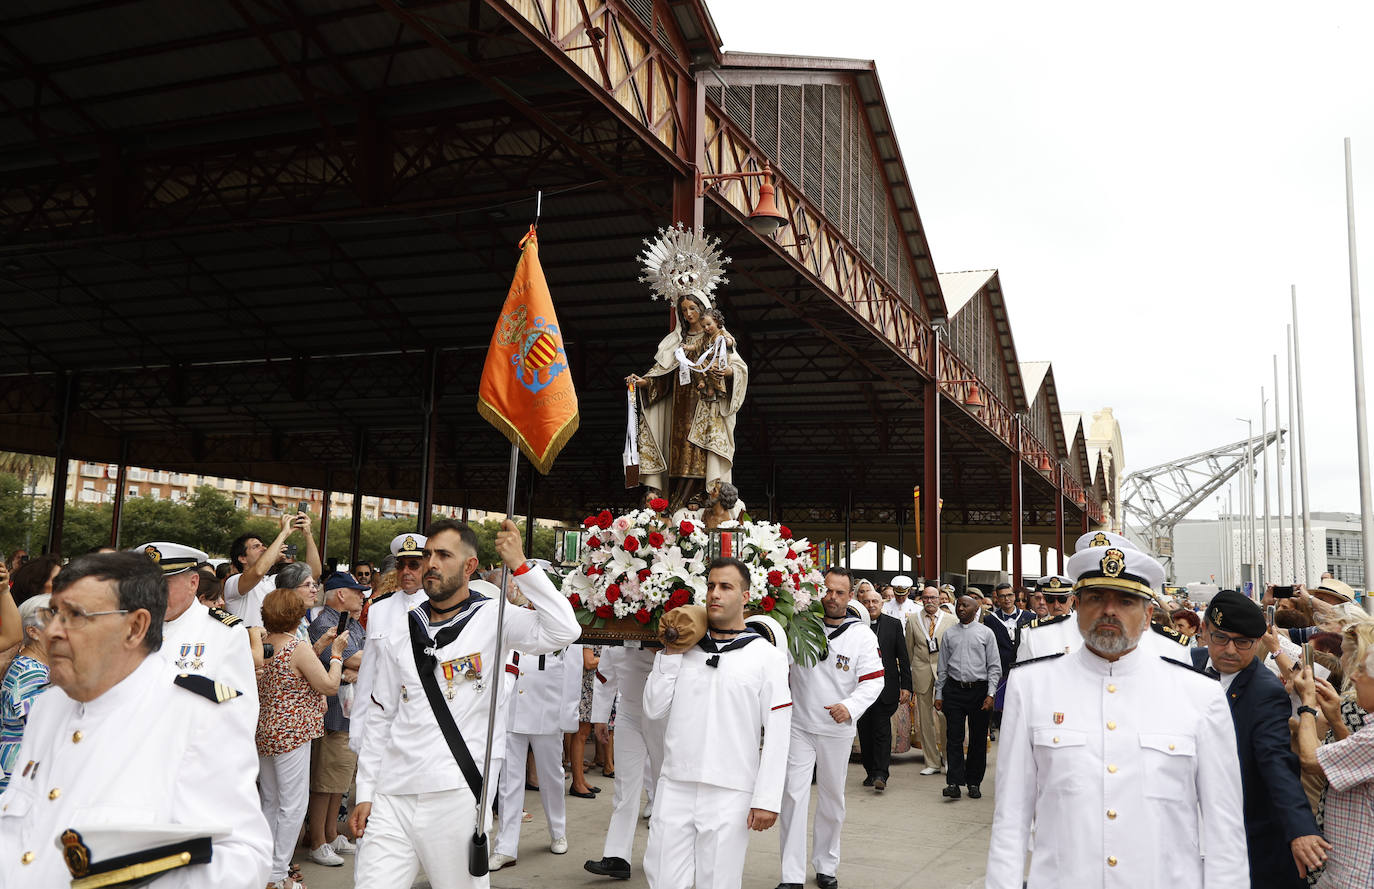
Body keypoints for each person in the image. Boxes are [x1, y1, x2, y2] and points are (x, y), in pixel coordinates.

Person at [986, 538, 1248, 889]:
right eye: (1096, 598)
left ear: (1149, 614)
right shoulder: (1031, 687)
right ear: (1076, 606)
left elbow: (1224, 827)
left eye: (1126, 601)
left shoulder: (1200, 695)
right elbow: (1010, 817)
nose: (1110, 611)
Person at [0, 552, 271, 886]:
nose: (52, 630)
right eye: (52, 613)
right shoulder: (49, 705)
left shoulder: (198, 715)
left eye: (74, 616)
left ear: (135, 627)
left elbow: (243, 858)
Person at [350, 520, 579, 889]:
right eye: (428, 556)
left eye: (443, 555)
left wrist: (521, 565)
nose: (431, 563)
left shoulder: (494, 617)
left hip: (455, 793)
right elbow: (382, 713)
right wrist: (366, 791)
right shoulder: (406, 625)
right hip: (393, 792)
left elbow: (564, 630)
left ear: (470, 567)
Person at [641, 557, 790, 889]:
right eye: (710, 586)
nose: (715, 594)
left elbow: (779, 733)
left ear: (746, 596)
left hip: (730, 789)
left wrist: (766, 798)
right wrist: (670, 651)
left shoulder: (767, 658)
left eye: (726, 587)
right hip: (676, 781)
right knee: (662, 877)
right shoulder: (684, 649)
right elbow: (653, 709)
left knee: (718, 882)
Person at [1190, 590, 1328, 886]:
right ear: (1203, 630)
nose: (1230, 650)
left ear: (1257, 642)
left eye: (1243, 643)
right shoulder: (1185, 664)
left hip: (1240, 825)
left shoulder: (1265, 691)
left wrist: (1299, 828)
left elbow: (1276, 762)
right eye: (1220, 638)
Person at [776, 567, 882, 889]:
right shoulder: (800, 626)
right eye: (828, 591)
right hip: (800, 725)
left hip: (837, 730)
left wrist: (849, 707)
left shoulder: (862, 635)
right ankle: (791, 876)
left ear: (850, 597)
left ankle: (826, 865)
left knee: (832, 799)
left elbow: (875, 681)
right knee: (793, 796)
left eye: (839, 593)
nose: (832, 598)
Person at [256, 587, 347, 889]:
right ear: (296, 615)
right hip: (293, 731)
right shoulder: (296, 647)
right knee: (293, 805)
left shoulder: (264, 644)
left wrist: (319, 645)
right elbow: (329, 686)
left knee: (270, 801)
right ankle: (278, 873)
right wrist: (336, 655)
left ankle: (265, 866)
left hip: (267, 728)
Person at [626, 289, 750, 506]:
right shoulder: (675, 341)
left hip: (704, 404)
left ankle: (699, 495)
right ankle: (676, 498)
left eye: (693, 308)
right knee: (679, 449)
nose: (688, 314)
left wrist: (727, 372)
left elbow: (738, 367)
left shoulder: (716, 337)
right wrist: (643, 382)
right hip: (679, 405)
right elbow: (663, 375)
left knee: (700, 450)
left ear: (703, 310)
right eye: (683, 310)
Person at [135, 541, 259, 727]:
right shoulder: (134, 628)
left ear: (193, 583)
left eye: (164, 583)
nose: (154, 592)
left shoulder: (225, 634)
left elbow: (240, 713)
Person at [1294, 623, 1374, 888]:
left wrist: (1307, 705)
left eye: (1362, 671)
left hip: (1355, 877)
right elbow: (1358, 765)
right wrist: (1337, 720)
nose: (1354, 677)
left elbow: (1310, 760)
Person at [491, 642, 583, 870]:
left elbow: (573, 675)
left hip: (547, 713)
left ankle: (558, 832)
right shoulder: (512, 615)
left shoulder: (559, 620)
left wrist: (567, 719)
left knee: (551, 778)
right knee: (509, 782)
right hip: (513, 711)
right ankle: (505, 846)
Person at [585, 639, 666, 881]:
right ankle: (617, 856)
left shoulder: (667, 633)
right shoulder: (617, 637)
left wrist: (663, 649)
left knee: (666, 785)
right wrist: (600, 717)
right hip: (629, 714)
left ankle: (664, 854)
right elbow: (605, 676)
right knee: (624, 786)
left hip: (665, 714)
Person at [305, 571, 368, 867]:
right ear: (341, 594)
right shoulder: (326, 624)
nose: (362, 596)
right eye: (357, 591)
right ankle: (317, 840)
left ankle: (330, 834)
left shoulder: (349, 623)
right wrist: (358, 666)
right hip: (332, 716)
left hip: (348, 714)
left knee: (339, 781)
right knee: (325, 781)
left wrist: (357, 667)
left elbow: (360, 660)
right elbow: (356, 659)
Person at [348, 532, 428, 756]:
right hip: (382, 718)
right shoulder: (379, 609)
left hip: (422, 722)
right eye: (401, 565)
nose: (406, 572)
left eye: (414, 565)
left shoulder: (441, 609)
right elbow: (368, 672)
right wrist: (357, 726)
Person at [935, 595, 1001, 800]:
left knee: (977, 740)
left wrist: (991, 694)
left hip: (979, 692)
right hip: (954, 691)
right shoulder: (949, 634)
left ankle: (974, 782)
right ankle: (954, 782)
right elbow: (942, 667)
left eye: (965, 605)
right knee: (953, 737)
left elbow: (994, 667)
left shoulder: (986, 634)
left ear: (976, 609)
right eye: (958, 605)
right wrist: (939, 693)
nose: (960, 608)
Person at [855, 585, 911, 792]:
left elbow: (902, 657)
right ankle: (870, 771)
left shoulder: (893, 624)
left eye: (875, 601)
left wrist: (907, 685)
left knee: (881, 731)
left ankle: (881, 773)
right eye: (867, 602)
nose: (871, 605)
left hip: (886, 687)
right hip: (860, 688)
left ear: (882, 604)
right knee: (865, 731)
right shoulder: (855, 625)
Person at [224, 511, 321, 628]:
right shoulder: (233, 582)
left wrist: (308, 534)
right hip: (247, 645)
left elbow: (313, 573)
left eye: (263, 545)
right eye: (256, 546)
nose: (264, 548)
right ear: (242, 558)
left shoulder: (274, 580)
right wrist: (283, 533)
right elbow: (258, 572)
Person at [0, 593, 50, 791]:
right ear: (33, 632)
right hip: (22, 773)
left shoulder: (31, 665)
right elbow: (43, 726)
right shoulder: (31, 671)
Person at [906, 584, 955, 775]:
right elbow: (909, 649)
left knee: (945, 717)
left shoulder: (951, 620)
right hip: (921, 671)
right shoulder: (913, 620)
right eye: (926, 598)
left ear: (940, 599)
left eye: (933, 598)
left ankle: (948, 758)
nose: (929, 602)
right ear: (921, 600)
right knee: (925, 719)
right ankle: (932, 762)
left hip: (945, 673)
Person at [1015, 574, 1079, 662]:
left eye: (1062, 599)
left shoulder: (1085, 626)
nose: (1056, 605)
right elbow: (1022, 669)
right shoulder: (1030, 632)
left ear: (1072, 600)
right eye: (1050, 599)